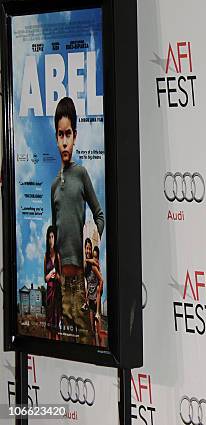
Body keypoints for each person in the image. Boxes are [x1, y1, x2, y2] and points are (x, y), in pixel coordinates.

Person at [51, 96, 105, 344]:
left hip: (82, 284)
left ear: (75, 136)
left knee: (88, 343)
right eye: (60, 135)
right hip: (63, 285)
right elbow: (54, 237)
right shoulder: (53, 187)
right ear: (56, 137)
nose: (64, 142)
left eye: (68, 134)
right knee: (66, 349)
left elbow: (99, 214)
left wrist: (92, 248)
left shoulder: (81, 174)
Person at [83, 238, 103, 345]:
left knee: (99, 334)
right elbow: (88, 284)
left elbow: (101, 280)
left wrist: (98, 293)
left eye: (89, 248)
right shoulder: (86, 267)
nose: (88, 251)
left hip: (96, 300)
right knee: (92, 331)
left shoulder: (93, 265)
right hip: (90, 300)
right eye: (86, 248)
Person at [44, 226, 62, 340]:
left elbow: (61, 279)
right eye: (49, 237)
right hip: (49, 293)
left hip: (57, 293)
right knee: (49, 324)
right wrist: (50, 275)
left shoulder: (58, 256)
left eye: (53, 237)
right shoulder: (45, 256)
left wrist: (57, 276)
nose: (51, 240)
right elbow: (44, 278)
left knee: (57, 324)